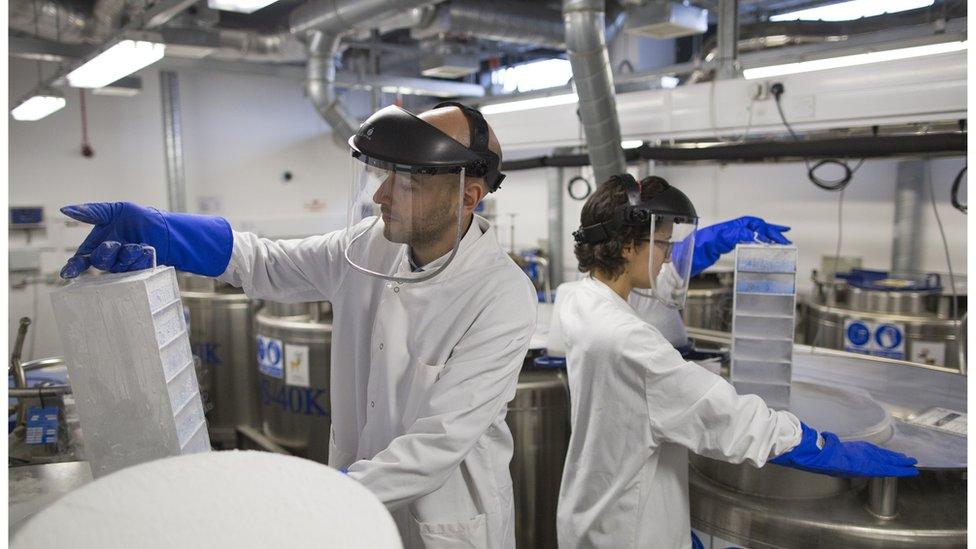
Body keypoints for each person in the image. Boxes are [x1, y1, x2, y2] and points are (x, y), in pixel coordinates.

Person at [59, 103, 537, 549]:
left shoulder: (501, 295)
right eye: (387, 173)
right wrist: (165, 233)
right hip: (354, 507)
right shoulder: (367, 246)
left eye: (407, 183)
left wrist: (317, 495)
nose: (380, 195)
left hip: (446, 523)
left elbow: (438, 442)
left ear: (468, 197)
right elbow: (268, 262)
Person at [551, 174, 918, 549]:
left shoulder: (582, 300)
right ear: (628, 247)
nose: (668, 255)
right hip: (631, 533)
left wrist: (713, 241)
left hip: (595, 511)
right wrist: (824, 447)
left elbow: (660, 284)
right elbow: (729, 419)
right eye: (662, 243)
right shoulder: (631, 342)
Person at [633, 216, 792, 351]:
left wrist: (720, 236)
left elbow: (675, 266)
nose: (667, 256)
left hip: (679, 359)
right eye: (663, 242)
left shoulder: (643, 281)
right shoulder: (616, 303)